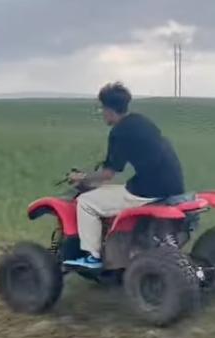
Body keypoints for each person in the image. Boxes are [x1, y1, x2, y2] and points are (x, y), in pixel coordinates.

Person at [64, 82, 186, 269]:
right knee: (111, 192)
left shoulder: (119, 132)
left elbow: (108, 174)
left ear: (109, 110)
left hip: (149, 190)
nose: (102, 113)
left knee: (86, 203)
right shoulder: (141, 121)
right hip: (173, 185)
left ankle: (93, 257)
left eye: (102, 109)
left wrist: (81, 179)